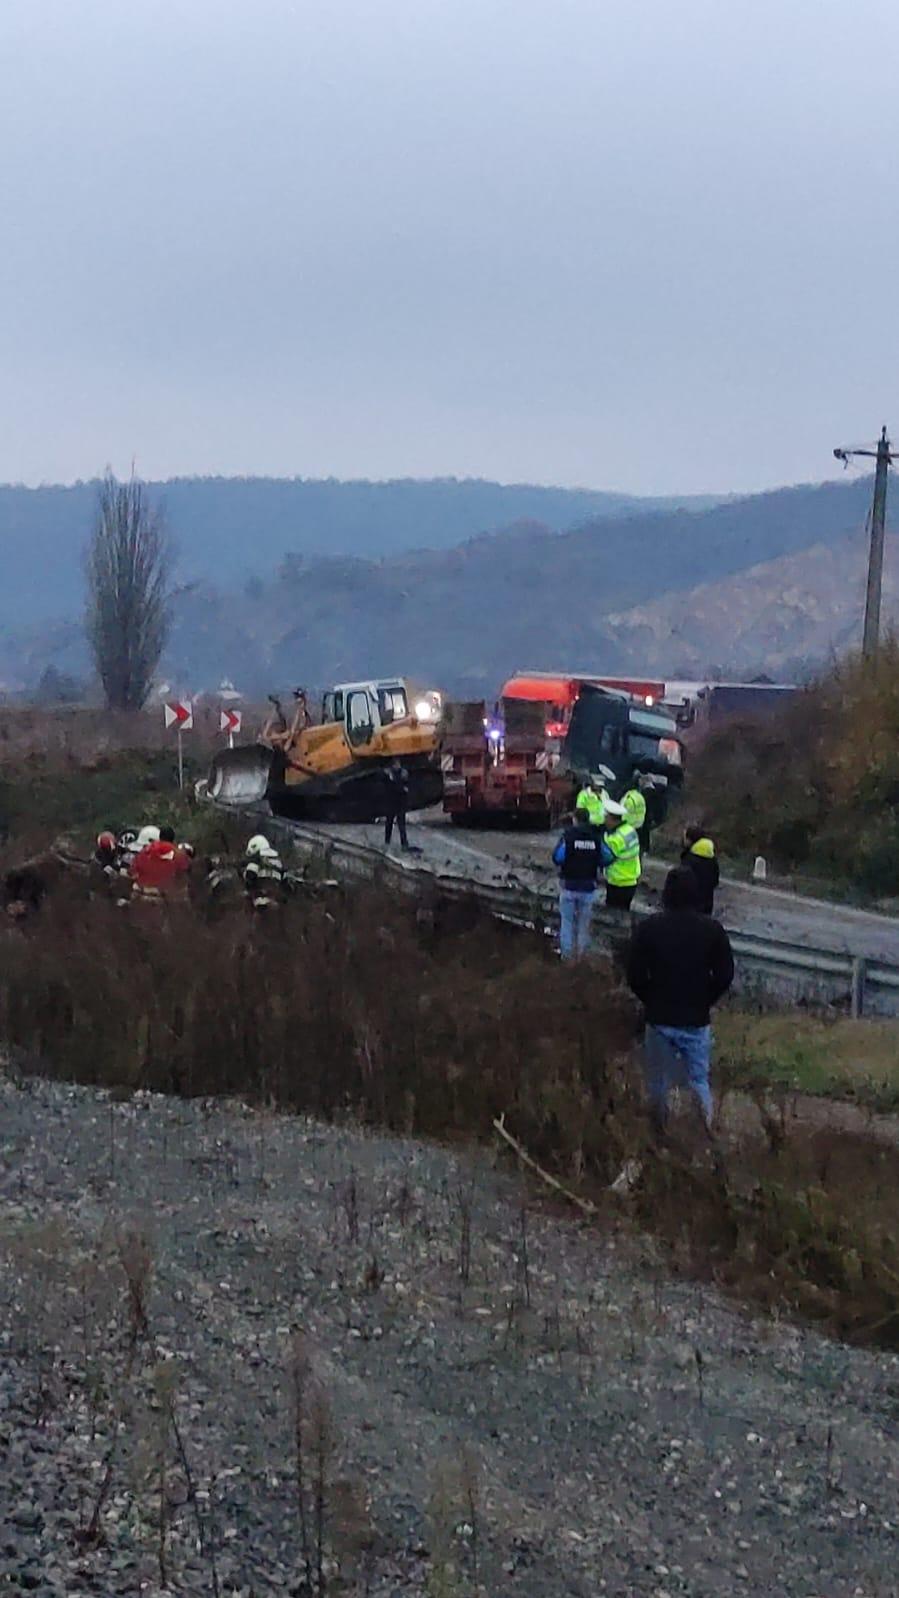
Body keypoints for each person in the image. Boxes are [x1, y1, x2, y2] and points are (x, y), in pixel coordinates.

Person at [626, 866, 734, 1139]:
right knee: (698, 1079)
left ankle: (658, 1134)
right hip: (696, 1019)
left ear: (667, 894)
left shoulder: (649, 929)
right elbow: (725, 975)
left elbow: (634, 973)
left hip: (659, 1016)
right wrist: (705, 1000)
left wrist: (650, 998)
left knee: (658, 1081)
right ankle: (704, 1134)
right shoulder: (712, 930)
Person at [552, 805, 603, 959]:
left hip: (569, 886)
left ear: (575, 820)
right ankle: (581, 958)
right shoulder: (596, 837)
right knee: (583, 925)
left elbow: (557, 858)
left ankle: (566, 958)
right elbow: (606, 858)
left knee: (567, 923)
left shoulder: (568, 836)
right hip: (588, 888)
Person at [130, 825, 191, 899]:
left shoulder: (145, 850)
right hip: (164, 897)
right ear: (173, 839)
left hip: (141, 894)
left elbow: (133, 871)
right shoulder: (178, 854)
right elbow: (185, 873)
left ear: (159, 837)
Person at [602, 800, 641, 910]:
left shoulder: (615, 839)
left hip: (617, 881)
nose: (604, 821)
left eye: (606, 818)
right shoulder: (630, 830)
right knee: (624, 913)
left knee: (613, 914)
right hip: (631, 880)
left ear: (611, 819)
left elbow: (605, 858)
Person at [681, 824, 720, 915]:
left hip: (689, 906)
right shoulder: (712, 859)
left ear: (690, 840)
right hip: (707, 904)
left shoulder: (689, 859)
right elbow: (715, 882)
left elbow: (682, 882)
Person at [243, 833, 287, 909]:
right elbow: (285, 882)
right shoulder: (279, 861)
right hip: (275, 898)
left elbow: (250, 876)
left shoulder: (256, 860)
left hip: (260, 897)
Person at [382, 758, 410, 849]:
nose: (397, 766)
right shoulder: (388, 775)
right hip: (391, 801)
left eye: (398, 764)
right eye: (395, 765)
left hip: (399, 802)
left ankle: (404, 843)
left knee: (401, 824)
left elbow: (404, 787)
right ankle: (387, 841)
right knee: (389, 823)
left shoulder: (402, 774)